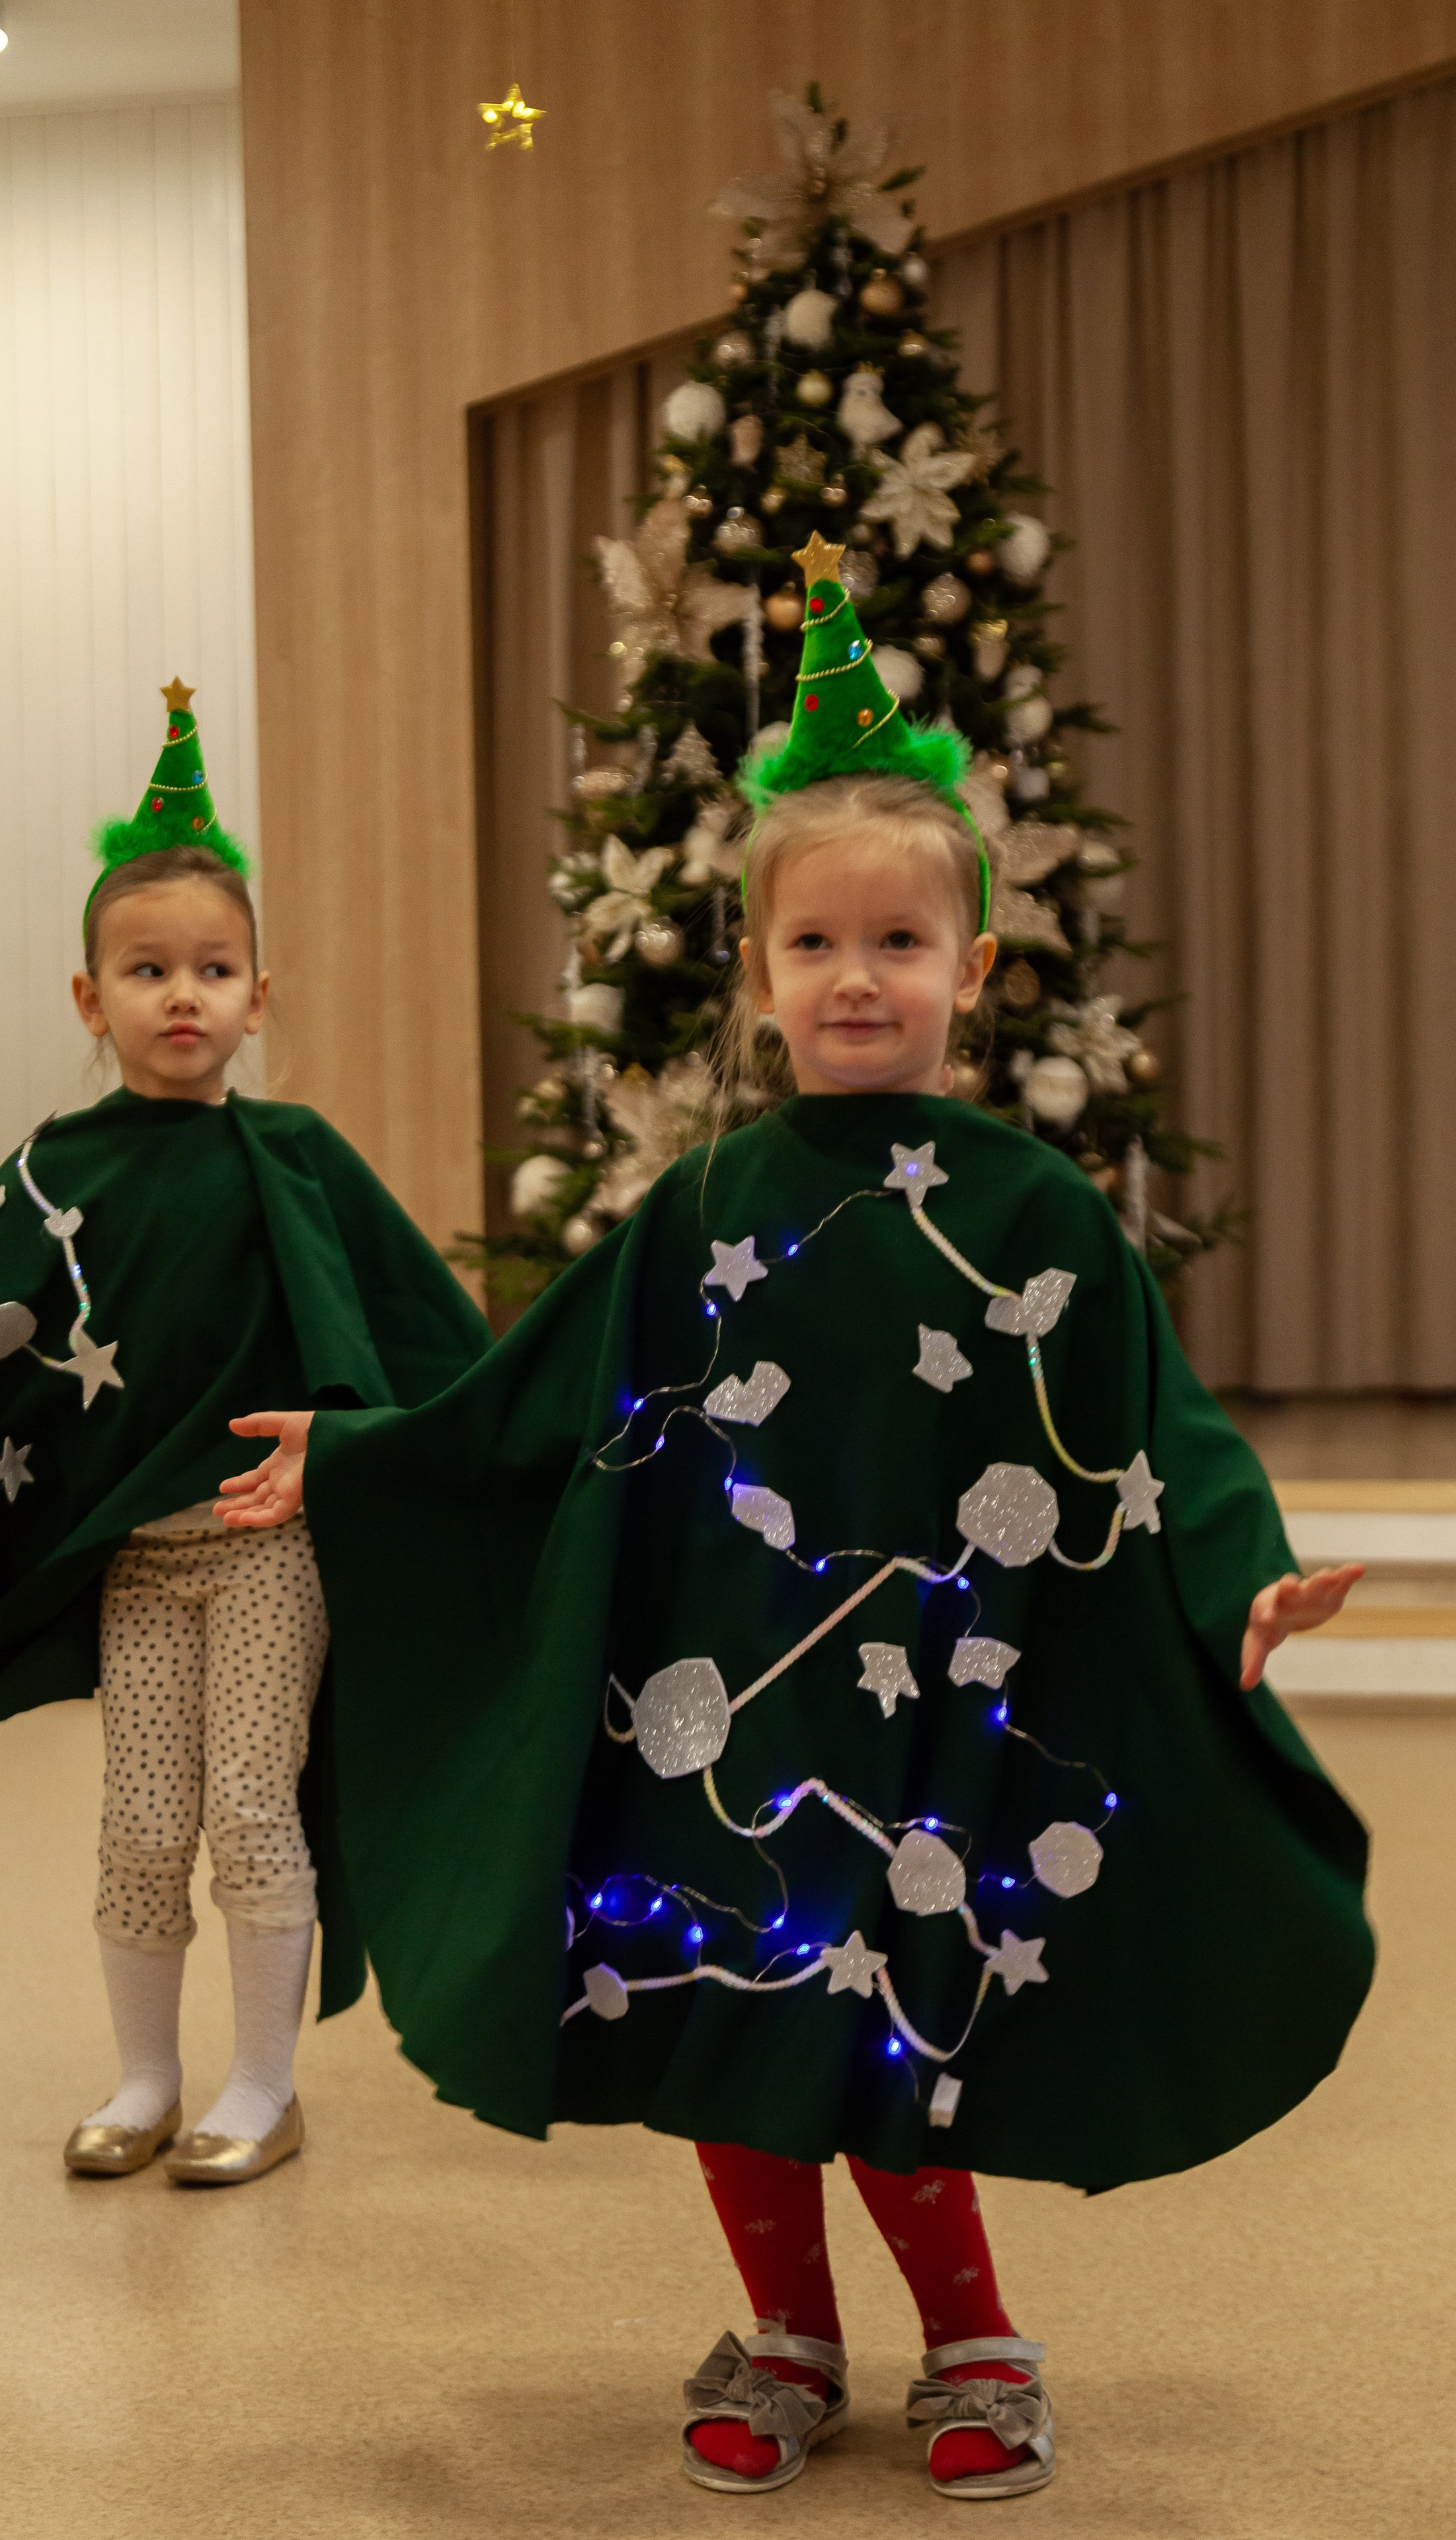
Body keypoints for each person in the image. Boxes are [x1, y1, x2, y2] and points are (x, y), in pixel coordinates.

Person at [218, 541, 1371, 2494]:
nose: (857, 978)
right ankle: (782, 2332)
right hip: (724, 1694)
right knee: (715, 1995)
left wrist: (1245, 1569)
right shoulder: (704, 1203)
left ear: (975, 972)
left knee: (902, 2008)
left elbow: (1157, 1423)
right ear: (755, 973)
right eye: (817, 945)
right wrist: (365, 1454)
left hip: (936, 1713)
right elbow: (542, 1390)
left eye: (899, 945)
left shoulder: (1034, 1212)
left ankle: (976, 2338)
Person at [0, 682, 488, 2187]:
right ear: (91, 1000)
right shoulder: (43, 1178)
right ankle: (148, 2074)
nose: (183, 996)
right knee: (140, 1824)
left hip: (270, 1543)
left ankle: (261, 2088)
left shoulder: (292, 1155)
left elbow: (416, 1336)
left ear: (261, 995)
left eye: (215, 968)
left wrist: (362, 1457)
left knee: (246, 1810)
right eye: (147, 970)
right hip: (142, 1566)